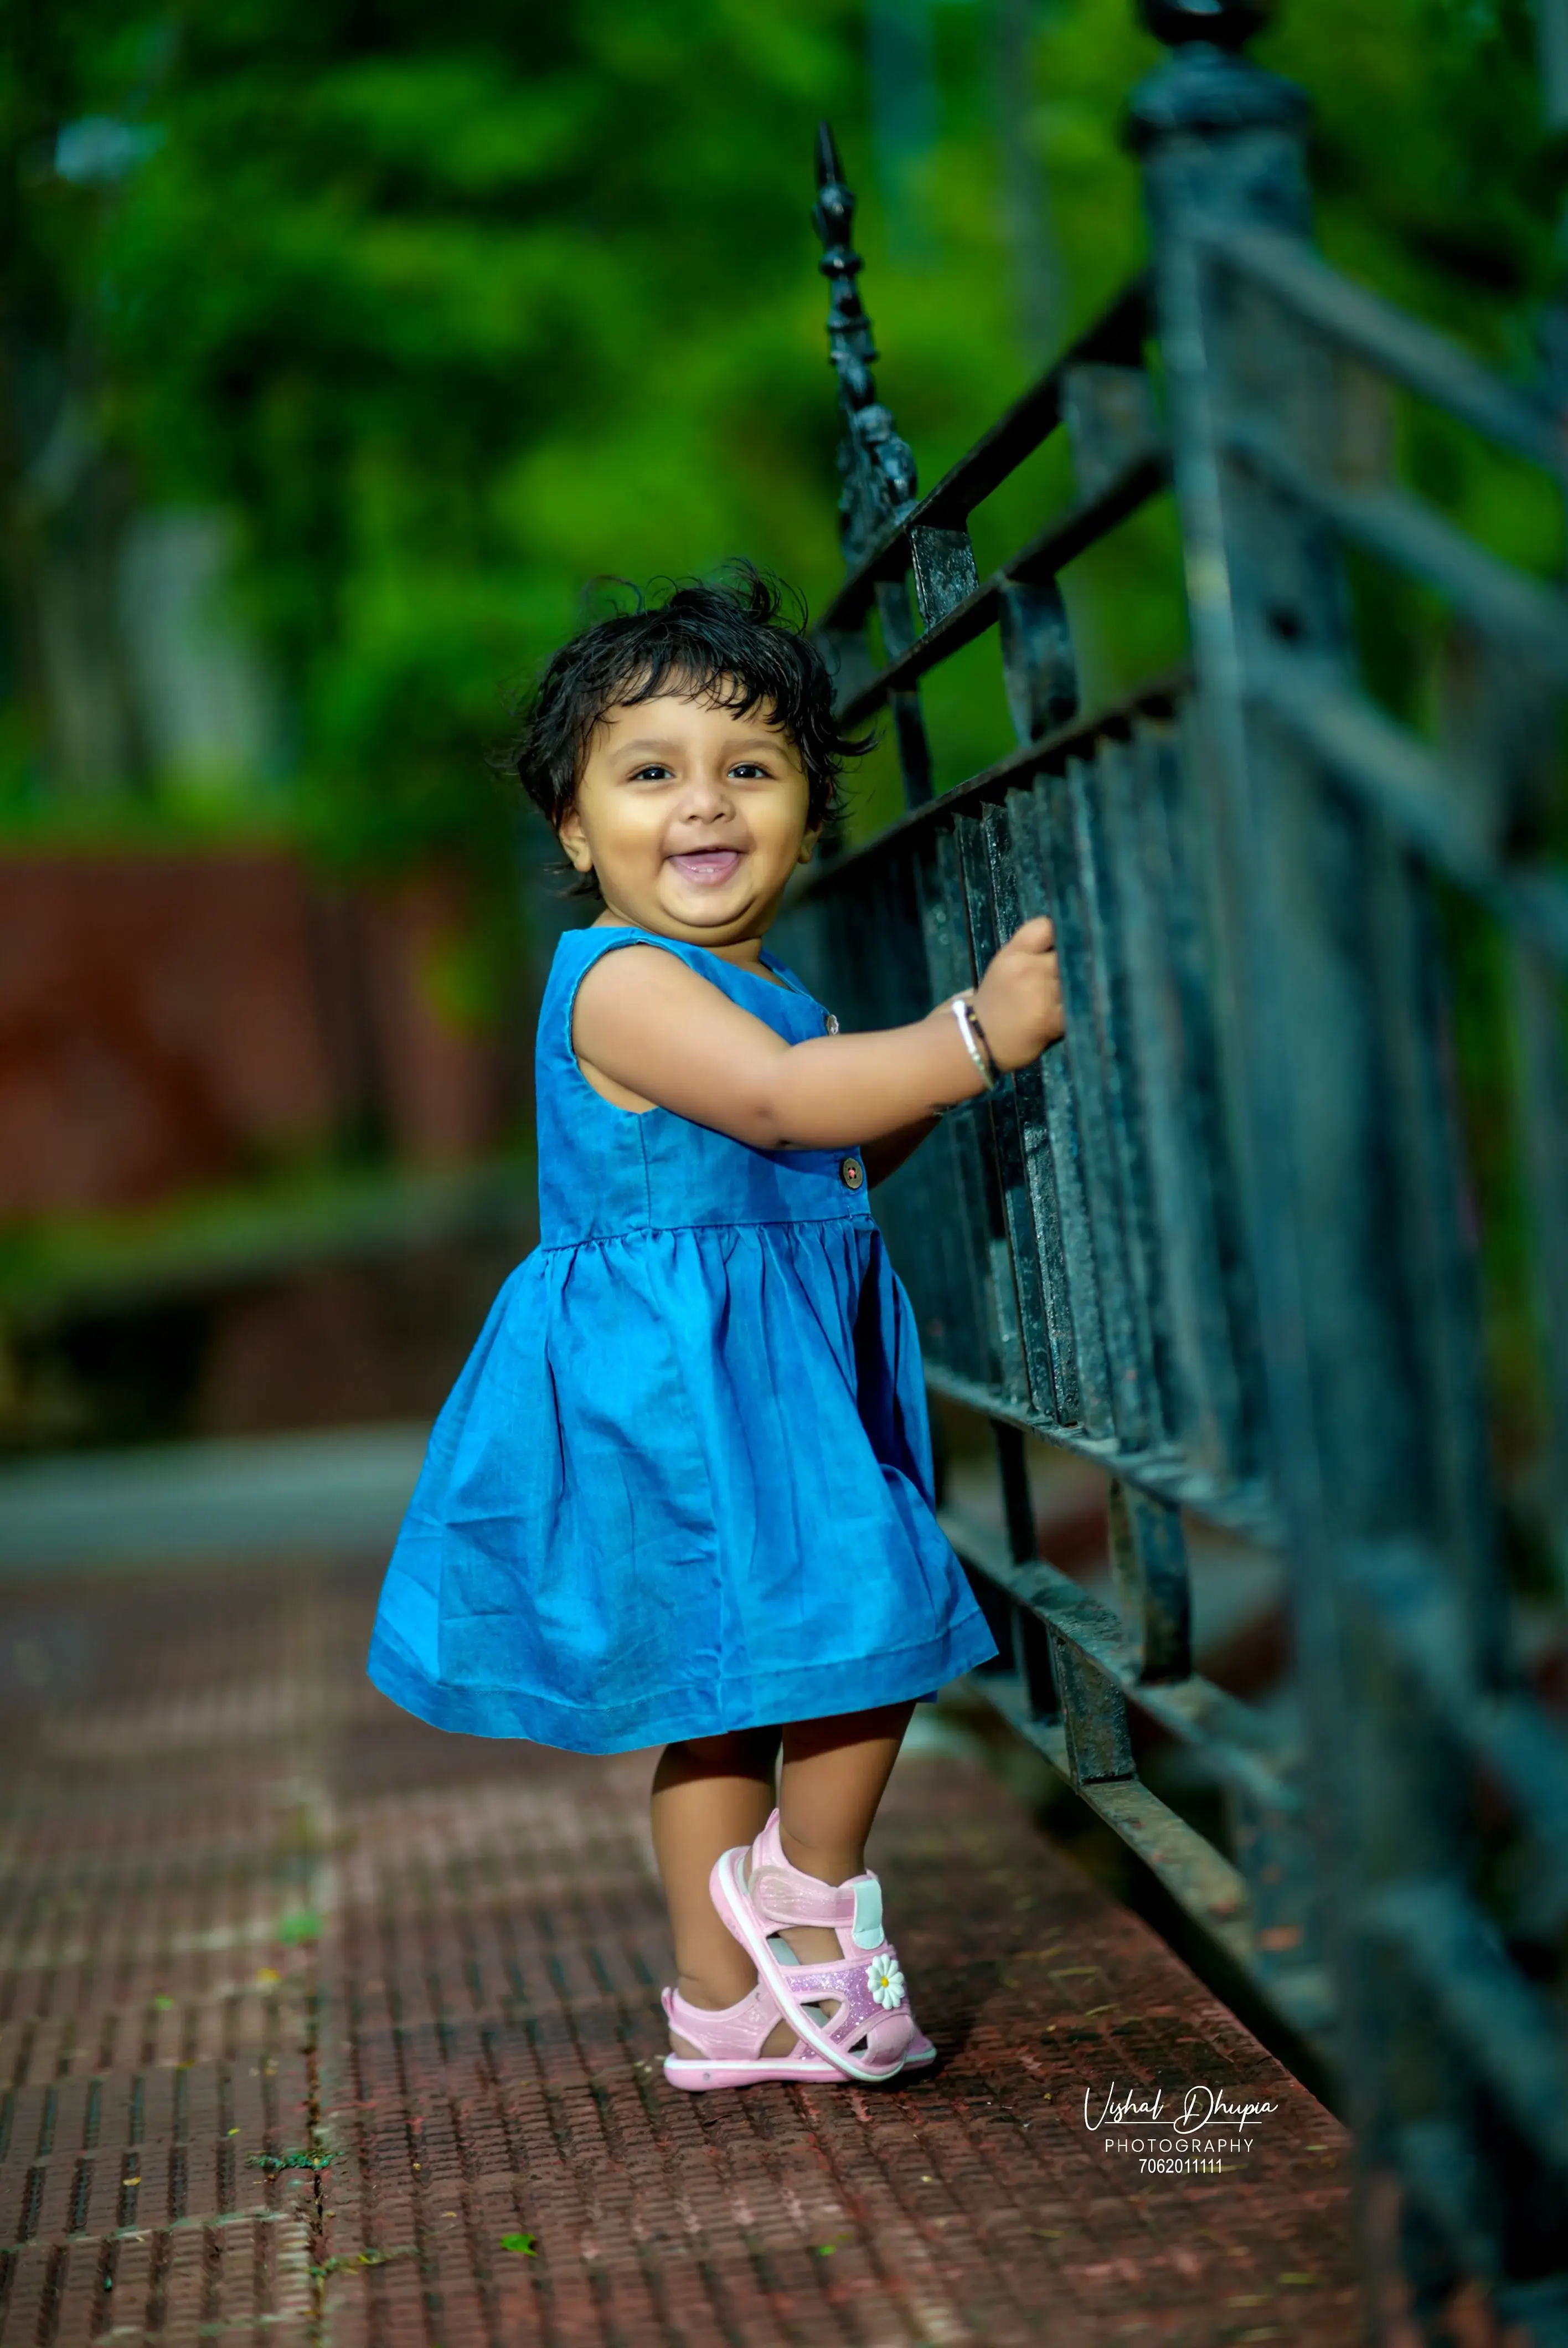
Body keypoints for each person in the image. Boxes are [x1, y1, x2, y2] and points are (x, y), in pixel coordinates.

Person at [368, 568, 1065, 2089]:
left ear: (809, 814)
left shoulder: (777, 992)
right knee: (873, 1615)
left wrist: (934, 1086)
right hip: (678, 1381)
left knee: (728, 1698)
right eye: (651, 774)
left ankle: (723, 2005)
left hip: (749, 1366)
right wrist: (969, 1037)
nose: (704, 802)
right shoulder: (621, 979)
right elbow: (777, 1104)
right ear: (576, 831)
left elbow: (826, 1143)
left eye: (751, 768)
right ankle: (808, 1893)